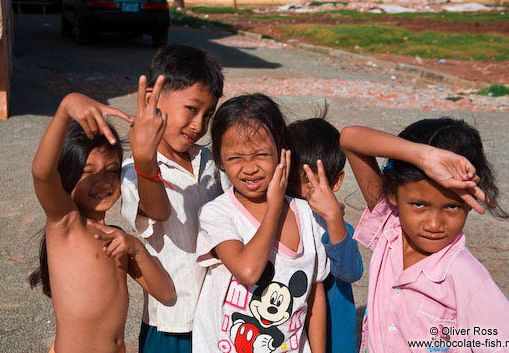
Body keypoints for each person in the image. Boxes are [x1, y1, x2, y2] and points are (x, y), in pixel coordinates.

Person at [340, 118, 509, 353]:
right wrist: (423, 157)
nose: (434, 224)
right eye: (419, 204)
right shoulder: (391, 231)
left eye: (451, 207)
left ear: (469, 202)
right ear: (393, 194)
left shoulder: (464, 276)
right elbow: (350, 138)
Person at [29, 93, 175, 353]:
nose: (103, 181)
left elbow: (166, 294)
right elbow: (41, 173)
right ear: (66, 175)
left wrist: (136, 248)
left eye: (111, 170)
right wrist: (65, 109)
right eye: (88, 172)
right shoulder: (66, 223)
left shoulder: (116, 238)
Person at [193, 94, 330, 353]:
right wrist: (274, 208)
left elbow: (315, 292)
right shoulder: (218, 214)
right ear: (219, 161)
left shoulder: (307, 214)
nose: (250, 168)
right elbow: (248, 272)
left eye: (261, 154)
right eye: (235, 158)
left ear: (282, 153)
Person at [120, 44, 225, 352]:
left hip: (218, 317)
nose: (199, 125)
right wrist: (144, 159)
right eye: (192, 109)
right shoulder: (133, 169)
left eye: (208, 115)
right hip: (169, 325)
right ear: (153, 97)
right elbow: (157, 210)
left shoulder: (210, 161)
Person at [288, 117, 363, 353]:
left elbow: (351, 271)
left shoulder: (337, 227)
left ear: (337, 181)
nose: (299, 192)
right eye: (291, 183)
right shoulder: (281, 222)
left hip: (334, 339)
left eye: (310, 183)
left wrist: (333, 219)